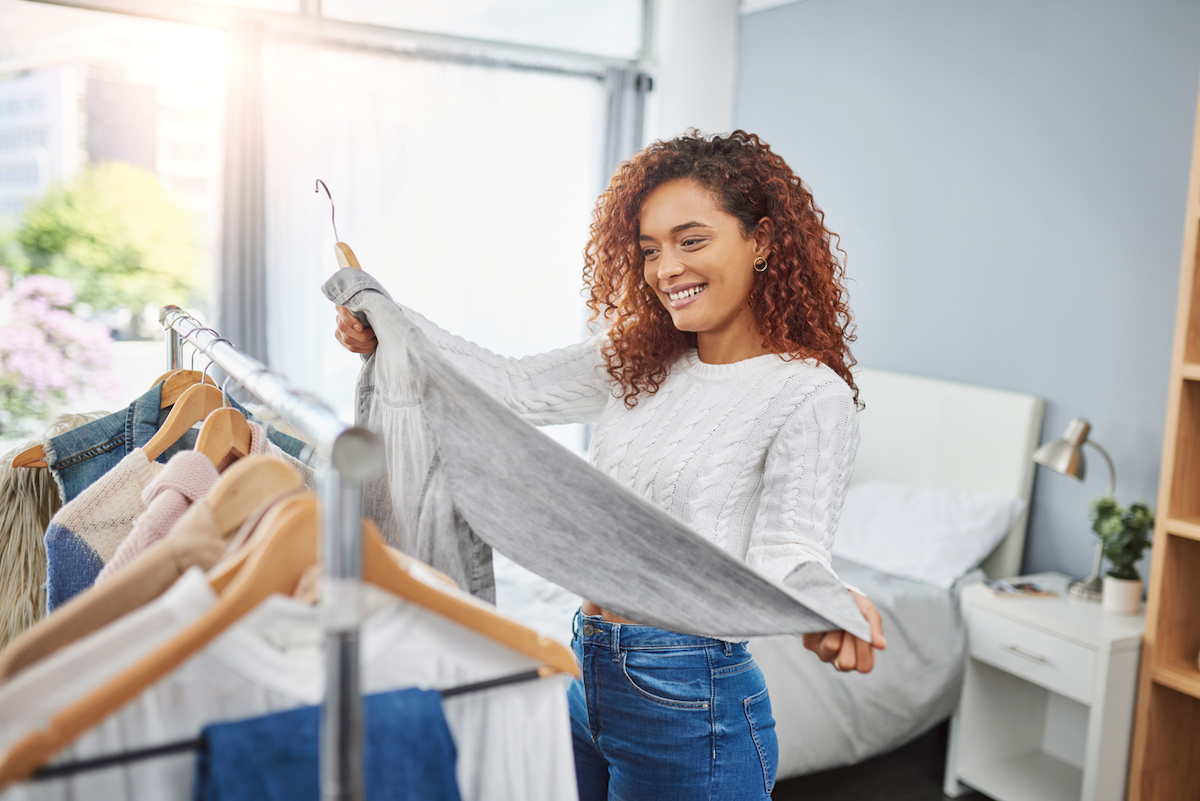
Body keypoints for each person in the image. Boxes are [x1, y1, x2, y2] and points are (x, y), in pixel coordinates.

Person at [335, 129, 886, 801]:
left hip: (690, 701)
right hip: (586, 666)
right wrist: (389, 322)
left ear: (763, 240)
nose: (665, 270)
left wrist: (827, 601)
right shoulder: (642, 357)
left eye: (691, 241)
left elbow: (788, 550)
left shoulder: (808, 393)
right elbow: (511, 387)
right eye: (650, 250)